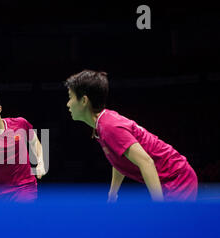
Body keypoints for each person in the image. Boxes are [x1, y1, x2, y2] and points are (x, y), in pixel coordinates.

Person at [65, 70, 198, 202]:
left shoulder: (109, 126)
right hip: (169, 180)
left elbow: (146, 162)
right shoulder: (102, 125)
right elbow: (120, 157)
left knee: (164, 222)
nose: (68, 104)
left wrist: (159, 207)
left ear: (84, 101)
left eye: (70, 97)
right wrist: (112, 193)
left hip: (178, 180)